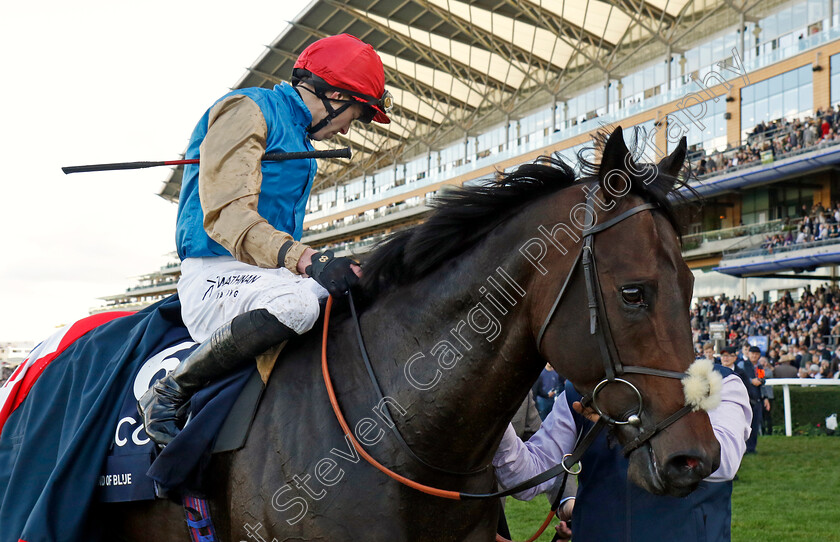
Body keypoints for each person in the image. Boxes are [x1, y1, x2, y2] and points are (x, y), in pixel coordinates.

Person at [138, 34, 393, 445]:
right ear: (332, 93)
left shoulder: (299, 136)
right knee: (296, 305)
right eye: (356, 113)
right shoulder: (247, 109)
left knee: (370, 291)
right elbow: (228, 215)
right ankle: (168, 392)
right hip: (215, 275)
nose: (351, 126)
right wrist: (308, 260)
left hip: (268, 277)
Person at [493, 351, 751, 542]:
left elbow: (721, 462)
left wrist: (629, 427)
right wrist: (489, 411)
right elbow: (527, 478)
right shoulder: (578, 392)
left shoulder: (719, 383)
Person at [736, 346, 764, 453]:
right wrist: (752, 381)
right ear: (749, 354)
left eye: (756, 354)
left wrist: (760, 382)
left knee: (755, 424)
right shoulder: (742, 364)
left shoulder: (760, 366)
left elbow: (761, 380)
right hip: (745, 397)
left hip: (756, 397)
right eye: (753, 353)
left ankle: (752, 448)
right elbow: (741, 378)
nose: (754, 356)